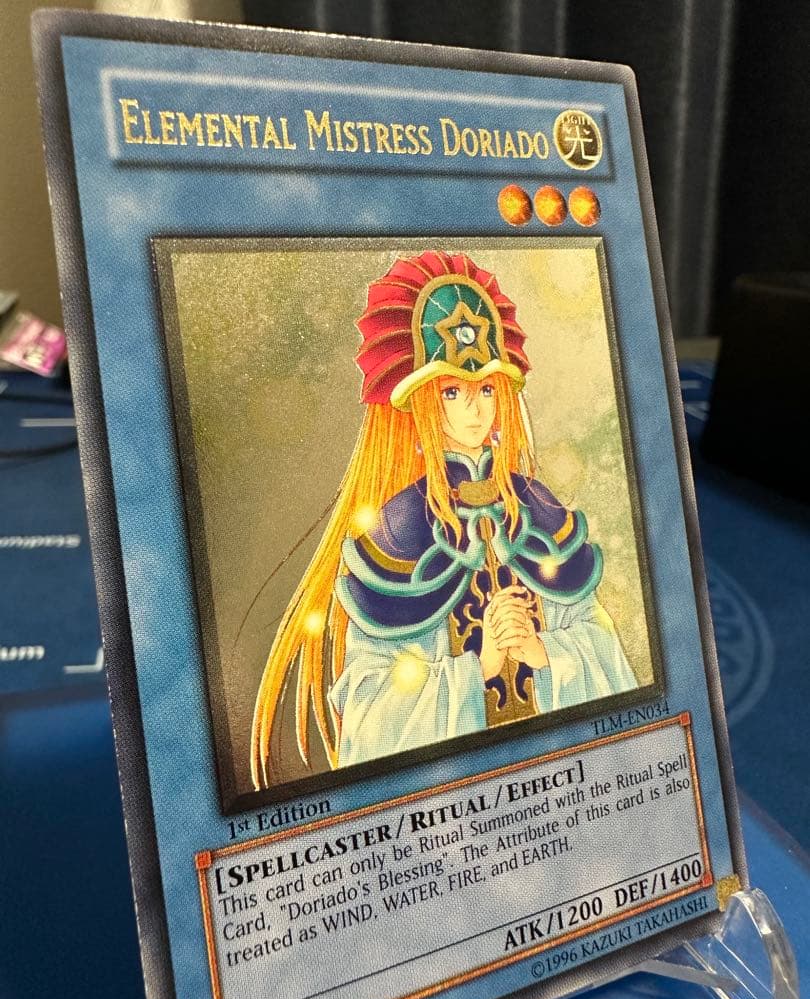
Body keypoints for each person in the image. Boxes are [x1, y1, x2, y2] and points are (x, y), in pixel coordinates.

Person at [251, 250, 636, 789]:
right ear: (421, 400)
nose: (475, 409)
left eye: (486, 389)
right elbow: (369, 711)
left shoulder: (540, 512)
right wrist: (477, 668)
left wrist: (544, 652)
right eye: (453, 391)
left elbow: (605, 651)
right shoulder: (397, 534)